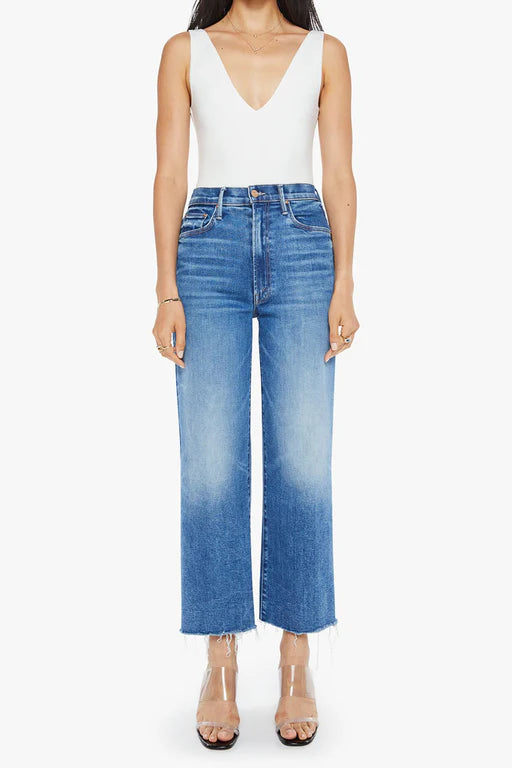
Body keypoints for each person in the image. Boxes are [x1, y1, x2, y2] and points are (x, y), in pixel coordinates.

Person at [152, 0, 358, 749]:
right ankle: (221, 662)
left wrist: (345, 281)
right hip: (207, 244)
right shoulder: (185, 50)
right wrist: (165, 289)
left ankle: (297, 659)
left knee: (303, 455)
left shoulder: (326, 53)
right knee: (210, 461)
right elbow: (169, 173)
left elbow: (339, 173)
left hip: (304, 244)